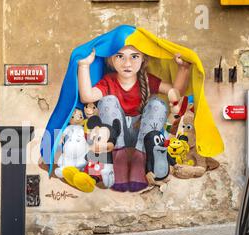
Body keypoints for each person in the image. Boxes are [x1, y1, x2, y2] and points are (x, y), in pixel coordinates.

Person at [77, 45, 191, 192]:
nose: (127, 63)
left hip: (142, 138)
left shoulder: (146, 80)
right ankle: (120, 162)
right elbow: (87, 97)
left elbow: (175, 92)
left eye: (134, 56)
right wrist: (84, 65)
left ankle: (140, 161)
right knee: (107, 101)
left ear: (144, 59)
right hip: (117, 139)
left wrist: (184, 69)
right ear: (111, 59)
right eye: (120, 56)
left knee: (158, 104)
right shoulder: (109, 81)